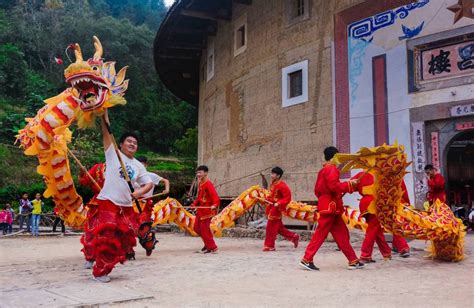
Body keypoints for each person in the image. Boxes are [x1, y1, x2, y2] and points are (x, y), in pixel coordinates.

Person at [82, 110, 153, 283]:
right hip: (108, 202)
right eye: (129, 141)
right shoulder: (113, 154)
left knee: (124, 240)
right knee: (107, 237)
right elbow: (106, 130)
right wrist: (103, 112)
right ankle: (100, 271)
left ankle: (100, 261)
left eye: (135, 142)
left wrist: (138, 193)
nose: (132, 144)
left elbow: (149, 184)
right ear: (120, 144)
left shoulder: (138, 166)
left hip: (126, 207)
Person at [300, 146, 364, 271]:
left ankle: (353, 260)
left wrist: (327, 198)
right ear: (335, 156)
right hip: (331, 207)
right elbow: (334, 186)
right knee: (320, 234)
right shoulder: (331, 169)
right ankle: (307, 259)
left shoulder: (324, 170)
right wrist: (350, 184)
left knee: (341, 235)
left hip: (329, 206)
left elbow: (317, 190)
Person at [262, 167, 299, 251]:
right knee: (279, 228)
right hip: (272, 207)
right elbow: (271, 195)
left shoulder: (282, 185)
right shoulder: (273, 184)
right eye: (271, 173)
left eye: (273, 174)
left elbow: (287, 197)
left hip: (276, 209)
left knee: (270, 227)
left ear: (278, 176)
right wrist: (267, 199)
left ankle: (269, 245)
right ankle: (294, 237)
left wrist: (279, 203)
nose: (271, 175)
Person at [191, 165, 220, 254]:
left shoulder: (208, 184)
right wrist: (194, 204)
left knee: (204, 229)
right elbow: (199, 197)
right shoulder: (200, 183)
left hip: (207, 210)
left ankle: (213, 247)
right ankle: (207, 245)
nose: (198, 174)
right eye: (197, 172)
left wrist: (214, 205)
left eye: (200, 172)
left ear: (206, 173)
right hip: (201, 210)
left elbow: (215, 197)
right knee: (196, 228)